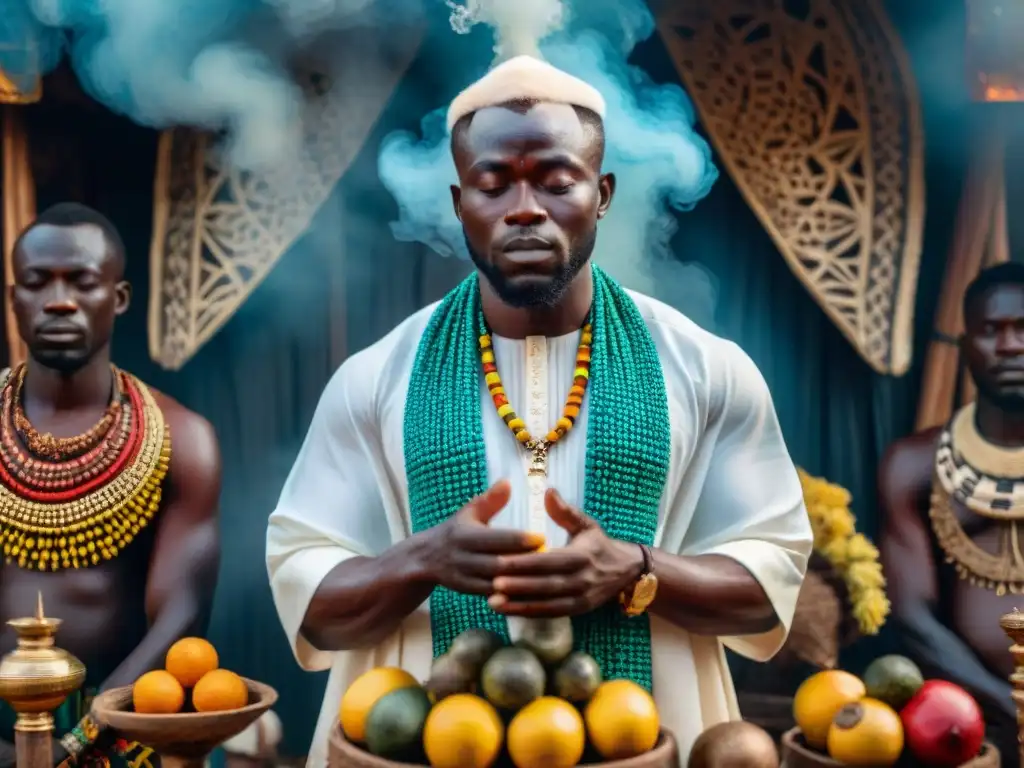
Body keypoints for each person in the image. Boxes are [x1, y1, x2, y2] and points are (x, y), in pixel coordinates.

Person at [266, 55, 812, 768]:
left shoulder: (708, 369)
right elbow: (308, 601)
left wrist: (636, 569)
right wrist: (423, 559)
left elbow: (772, 589)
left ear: (603, 193)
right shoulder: (373, 379)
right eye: (494, 185)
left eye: (556, 182)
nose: (525, 207)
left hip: (650, 744)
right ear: (461, 203)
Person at [0, 203, 222, 768]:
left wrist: (78, 742)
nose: (58, 299)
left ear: (118, 298)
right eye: (36, 282)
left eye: (81, 281)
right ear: (14, 300)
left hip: (126, 715)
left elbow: (181, 615)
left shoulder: (183, 439)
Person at [880, 261, 1024, 766]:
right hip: (964, 725)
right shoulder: (915, 465)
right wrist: (1013, 706)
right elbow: (914, 619)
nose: (1009, 345)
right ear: (965, 347)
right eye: (991, 330)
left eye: (1022, 329)